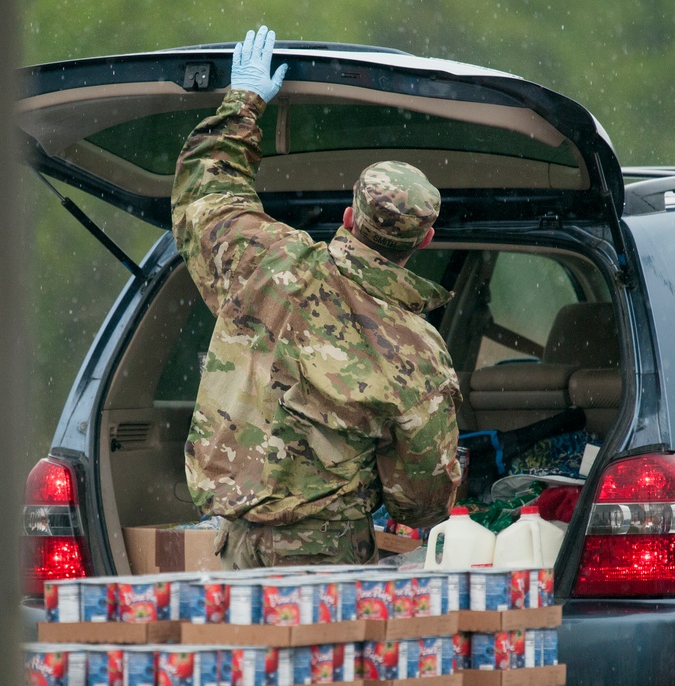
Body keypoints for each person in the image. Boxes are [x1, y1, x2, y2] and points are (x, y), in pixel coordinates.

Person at [171, 26, 462, 569]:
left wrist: (243, 103)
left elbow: (205, 193)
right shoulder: (419, 353)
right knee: (315, 658)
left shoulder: (267, 262)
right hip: (329, 560)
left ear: (349, 218)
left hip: (233, 547)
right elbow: (423, 503)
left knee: (250, 658)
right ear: (425, 241)